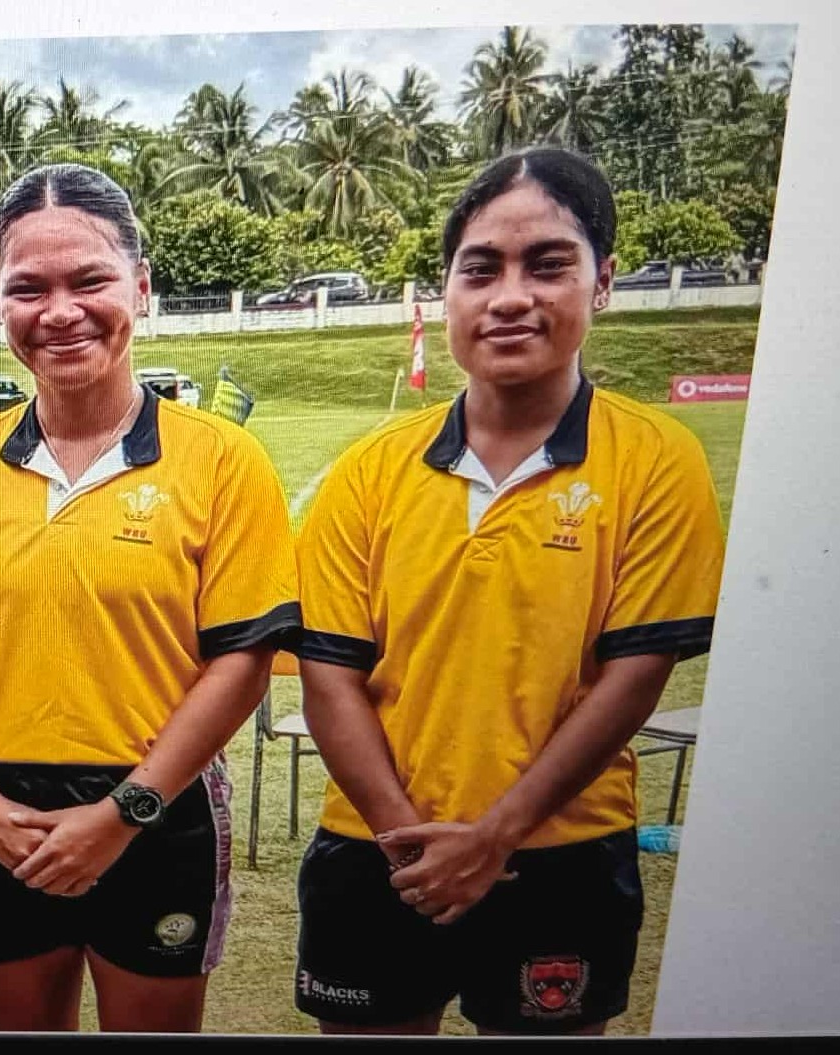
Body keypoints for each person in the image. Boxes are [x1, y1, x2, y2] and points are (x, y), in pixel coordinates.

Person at [292, 146, 725, 1037]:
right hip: (377, 848)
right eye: (480, 268)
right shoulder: (368, 472)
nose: (510, 296)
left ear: (600, 281)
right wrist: (405, 839)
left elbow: (631, 677)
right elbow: (329, 674)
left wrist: (494, 834)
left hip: (559, 855)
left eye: (548, 264)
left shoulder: (653, 460)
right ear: (447, 290)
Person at [0, 163, 300, 1034]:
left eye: (88, 279)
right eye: (27, 287)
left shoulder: (218, 460)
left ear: (138, 286)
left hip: (155, 811)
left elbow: (241, 661)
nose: (58, 310)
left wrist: (124, 813)